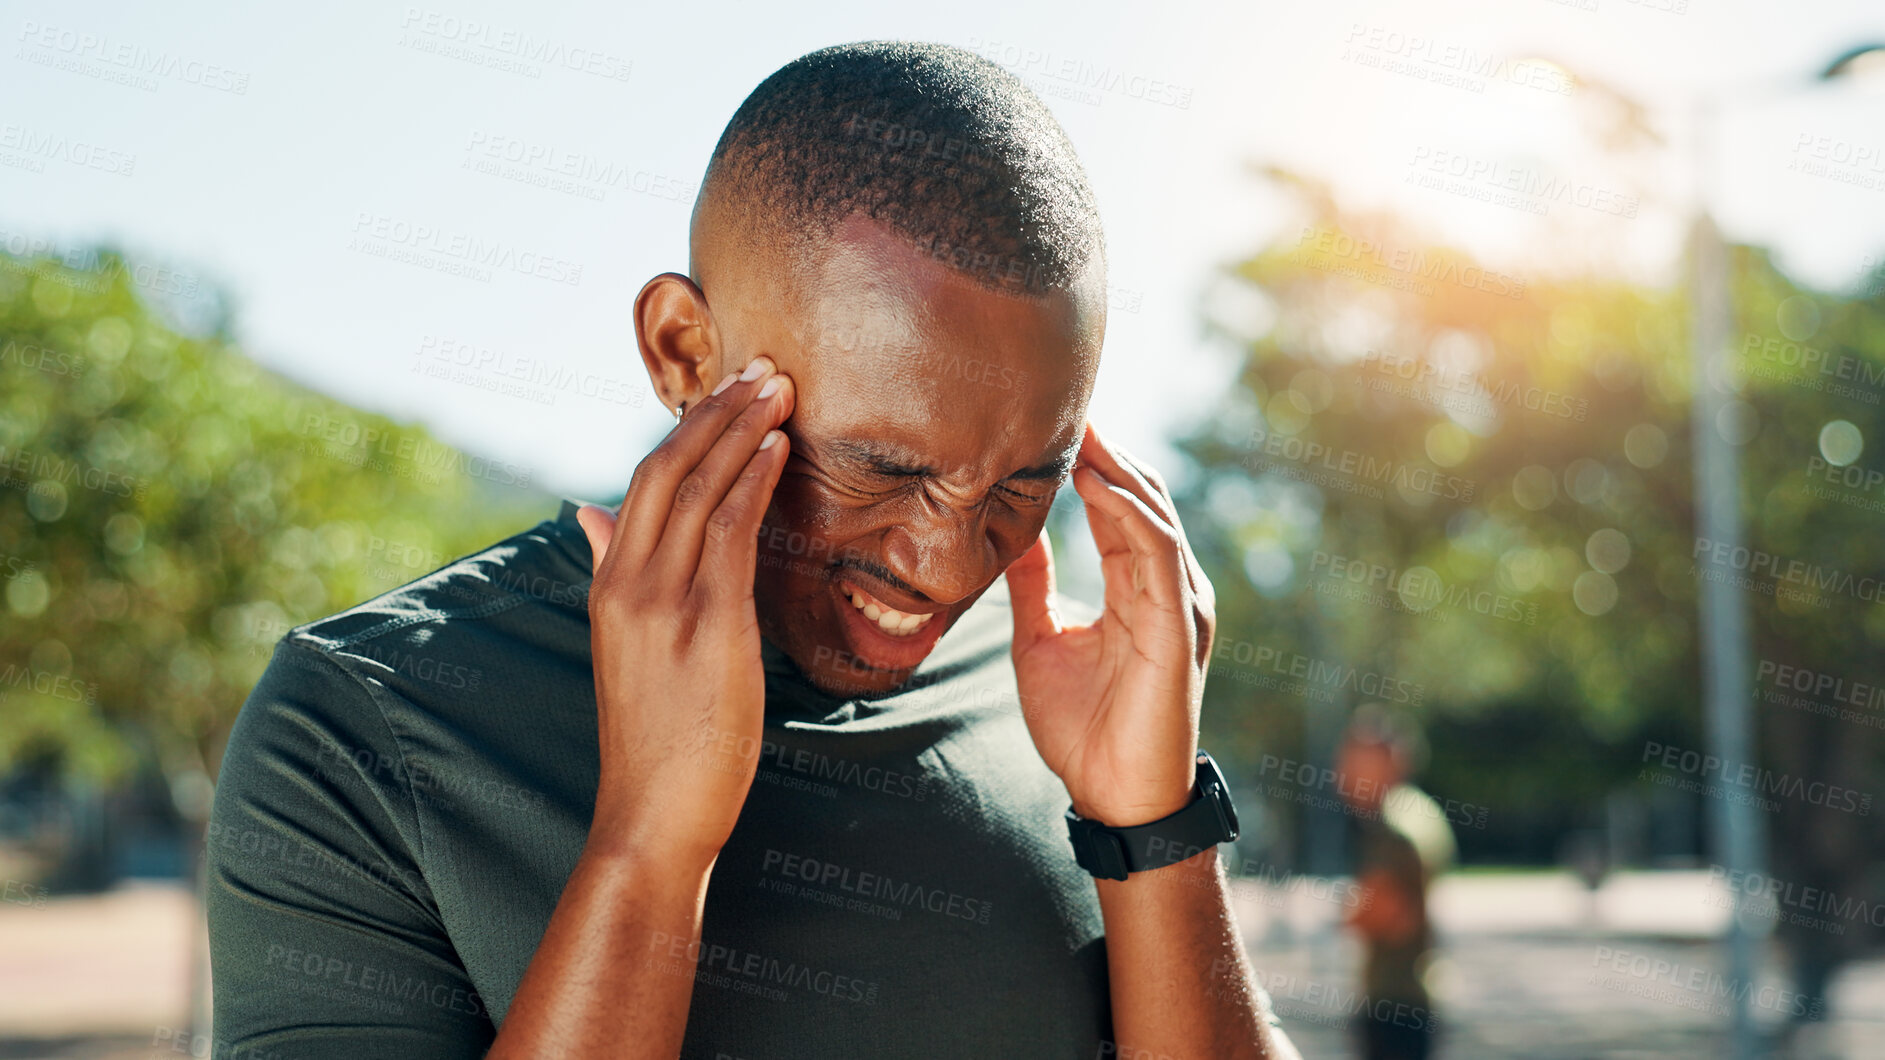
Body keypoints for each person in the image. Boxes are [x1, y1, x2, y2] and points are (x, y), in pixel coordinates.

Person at [206, 41, 1300, 1059]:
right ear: (684, 351)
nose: (946, 565)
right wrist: (647, 846)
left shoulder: (1061, 695)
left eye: (1023, 482)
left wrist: (1156, 831)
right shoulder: (362, 726)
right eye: (883, 468)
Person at [1337, 706, 1453, 1060]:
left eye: (1356, 761)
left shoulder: (1392, 828)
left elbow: (1384, 914)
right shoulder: (1421, 810)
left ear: (1390, 761)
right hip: (1419, 994)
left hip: (1393, 1005)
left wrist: (1345, 912)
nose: (1343, 772)